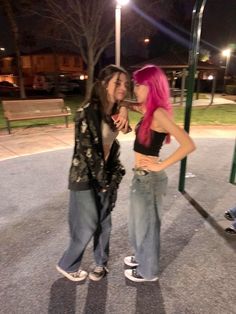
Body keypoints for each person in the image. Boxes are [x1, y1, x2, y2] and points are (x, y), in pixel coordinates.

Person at [121, 65, 196, 282]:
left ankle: (148, 272)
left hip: (150, 178)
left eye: (138, 84)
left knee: (148, 227)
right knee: (138, 224)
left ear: (151, 86)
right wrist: (124, 107)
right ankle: (141, 257)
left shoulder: (159, 114)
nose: (134, 88)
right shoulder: (148, 108)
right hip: (141, 177)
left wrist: (160, 166)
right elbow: (125, 103)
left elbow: (188, 144)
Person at [56, 64, 130, 282]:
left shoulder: (115, 109)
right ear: (102, 84)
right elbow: (88, 152)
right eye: (118, 82)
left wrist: (124, 106)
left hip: (108, 175)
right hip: (85, 177)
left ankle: (100, 264)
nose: (123, 87)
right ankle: (67, 264)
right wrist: (103, 182)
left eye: (126, 83)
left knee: (104, 222)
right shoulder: (85, 112)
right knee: (87, 223)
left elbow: (140, 108)